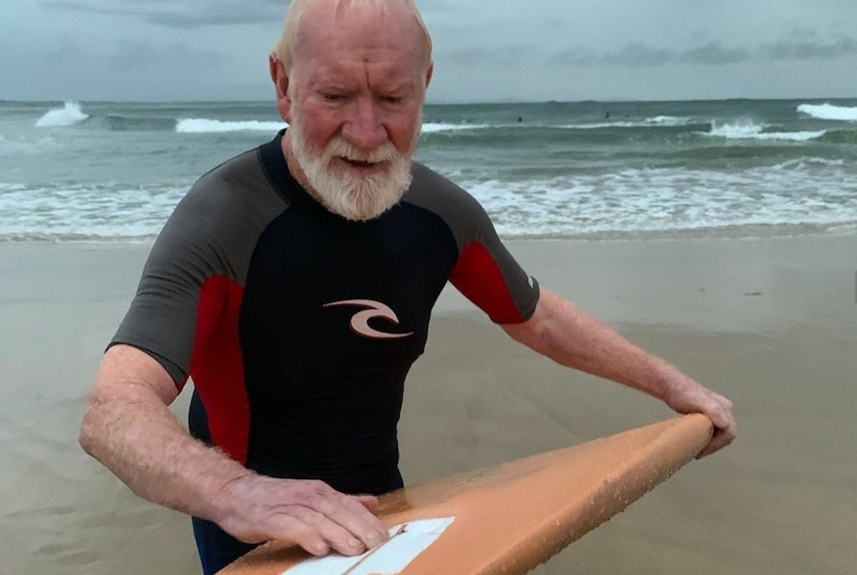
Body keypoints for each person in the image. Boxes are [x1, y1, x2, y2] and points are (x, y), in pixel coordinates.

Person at [78, 0, 736, 573]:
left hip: (387, 506)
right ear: (282, 83)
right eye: (333, 96)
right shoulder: (223, 222)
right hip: (254, 530)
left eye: (393, 99)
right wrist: (239, 493)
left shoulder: (440, 216)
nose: (367, 135)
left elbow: (536, 317)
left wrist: (673, 384)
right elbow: (113, 410)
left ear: (425, 85)